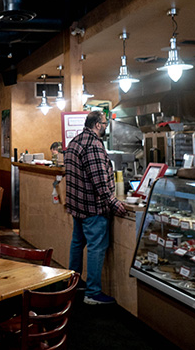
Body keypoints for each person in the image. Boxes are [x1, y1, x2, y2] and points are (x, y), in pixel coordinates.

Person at [64, 111, 126, 305]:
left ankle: (72, 284)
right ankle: (92, 292)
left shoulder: (75, 142)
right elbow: (99, 181)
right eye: (105, 124)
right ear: (98, 125)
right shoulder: (94, 145)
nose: (106, 127)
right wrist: (114, 203)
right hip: (93, 208)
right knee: (96, 248)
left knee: (77, 244)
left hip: (77, 206)